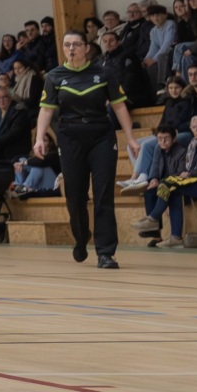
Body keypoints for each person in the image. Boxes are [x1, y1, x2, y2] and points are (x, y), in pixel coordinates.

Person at [32, 29, 140, 268]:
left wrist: (131, 138)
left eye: (76, 44)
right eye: (67, 44)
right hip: (70, 137)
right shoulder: (54, 76)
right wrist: (39, 138)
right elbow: (46, 109)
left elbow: (119, 106)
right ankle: (81, 237)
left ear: (86, 48)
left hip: (101, 136)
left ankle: (105, 252)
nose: (71, 49)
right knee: (75, 195)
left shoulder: (103, 73)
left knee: (103, 194)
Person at [136, 115, 197, 248]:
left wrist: (192, 173)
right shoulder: (195, 145)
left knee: (170, 185)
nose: (196, 130)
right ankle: (175, 237)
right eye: (193, 127)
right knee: (172, 189)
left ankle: (153, 219)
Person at [130, 124, 189, 246]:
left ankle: (154, 220)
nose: (163, 142)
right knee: (149, 191)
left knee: (173, 195)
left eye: (166, 138)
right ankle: (154, 228)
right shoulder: (158, 148)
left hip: (176, 184)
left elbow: (179, 173)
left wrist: (162, 184)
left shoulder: (181, 151)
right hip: (163, 183)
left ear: (174, 139)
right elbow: (155, 166)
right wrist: (154, 179)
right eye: (160, 138)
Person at [0, 86, 34, 167]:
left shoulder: (19, 111)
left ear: (11, 98)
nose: (1, 100)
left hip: (14, 149)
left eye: (4, 97)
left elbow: (14, 133)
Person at [144, 2, 178, 88]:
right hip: (161, 55)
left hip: (171, 53)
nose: (155, 18)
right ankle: (157, 91)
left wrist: (154, 59)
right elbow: (153, 47)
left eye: (158, 15)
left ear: (165, 15)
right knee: (148, 67)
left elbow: (167, 44)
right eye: (153, 15)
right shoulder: (153, 31)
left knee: (156, 65)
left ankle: (164, 87)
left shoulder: (170, 24)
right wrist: (147, 59)